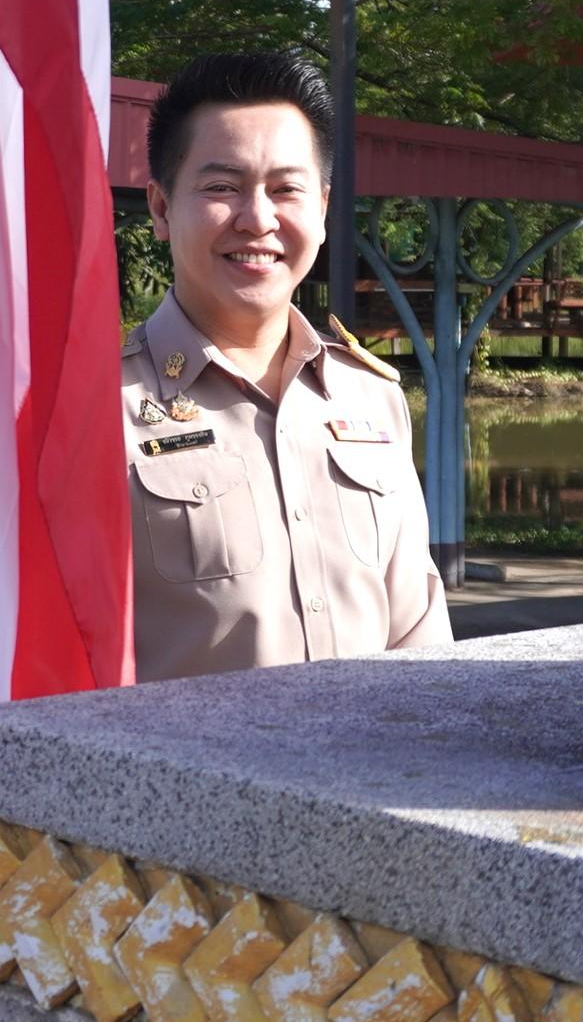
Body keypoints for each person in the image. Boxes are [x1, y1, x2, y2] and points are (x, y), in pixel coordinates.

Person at [124, 49, 450, 679]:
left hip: (375, 772)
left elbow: (419, 630)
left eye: (285, 190)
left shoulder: (371, 400)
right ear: (162, 209)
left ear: (323, 209)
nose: (258, 219)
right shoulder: (95, 408)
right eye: (222, 188)